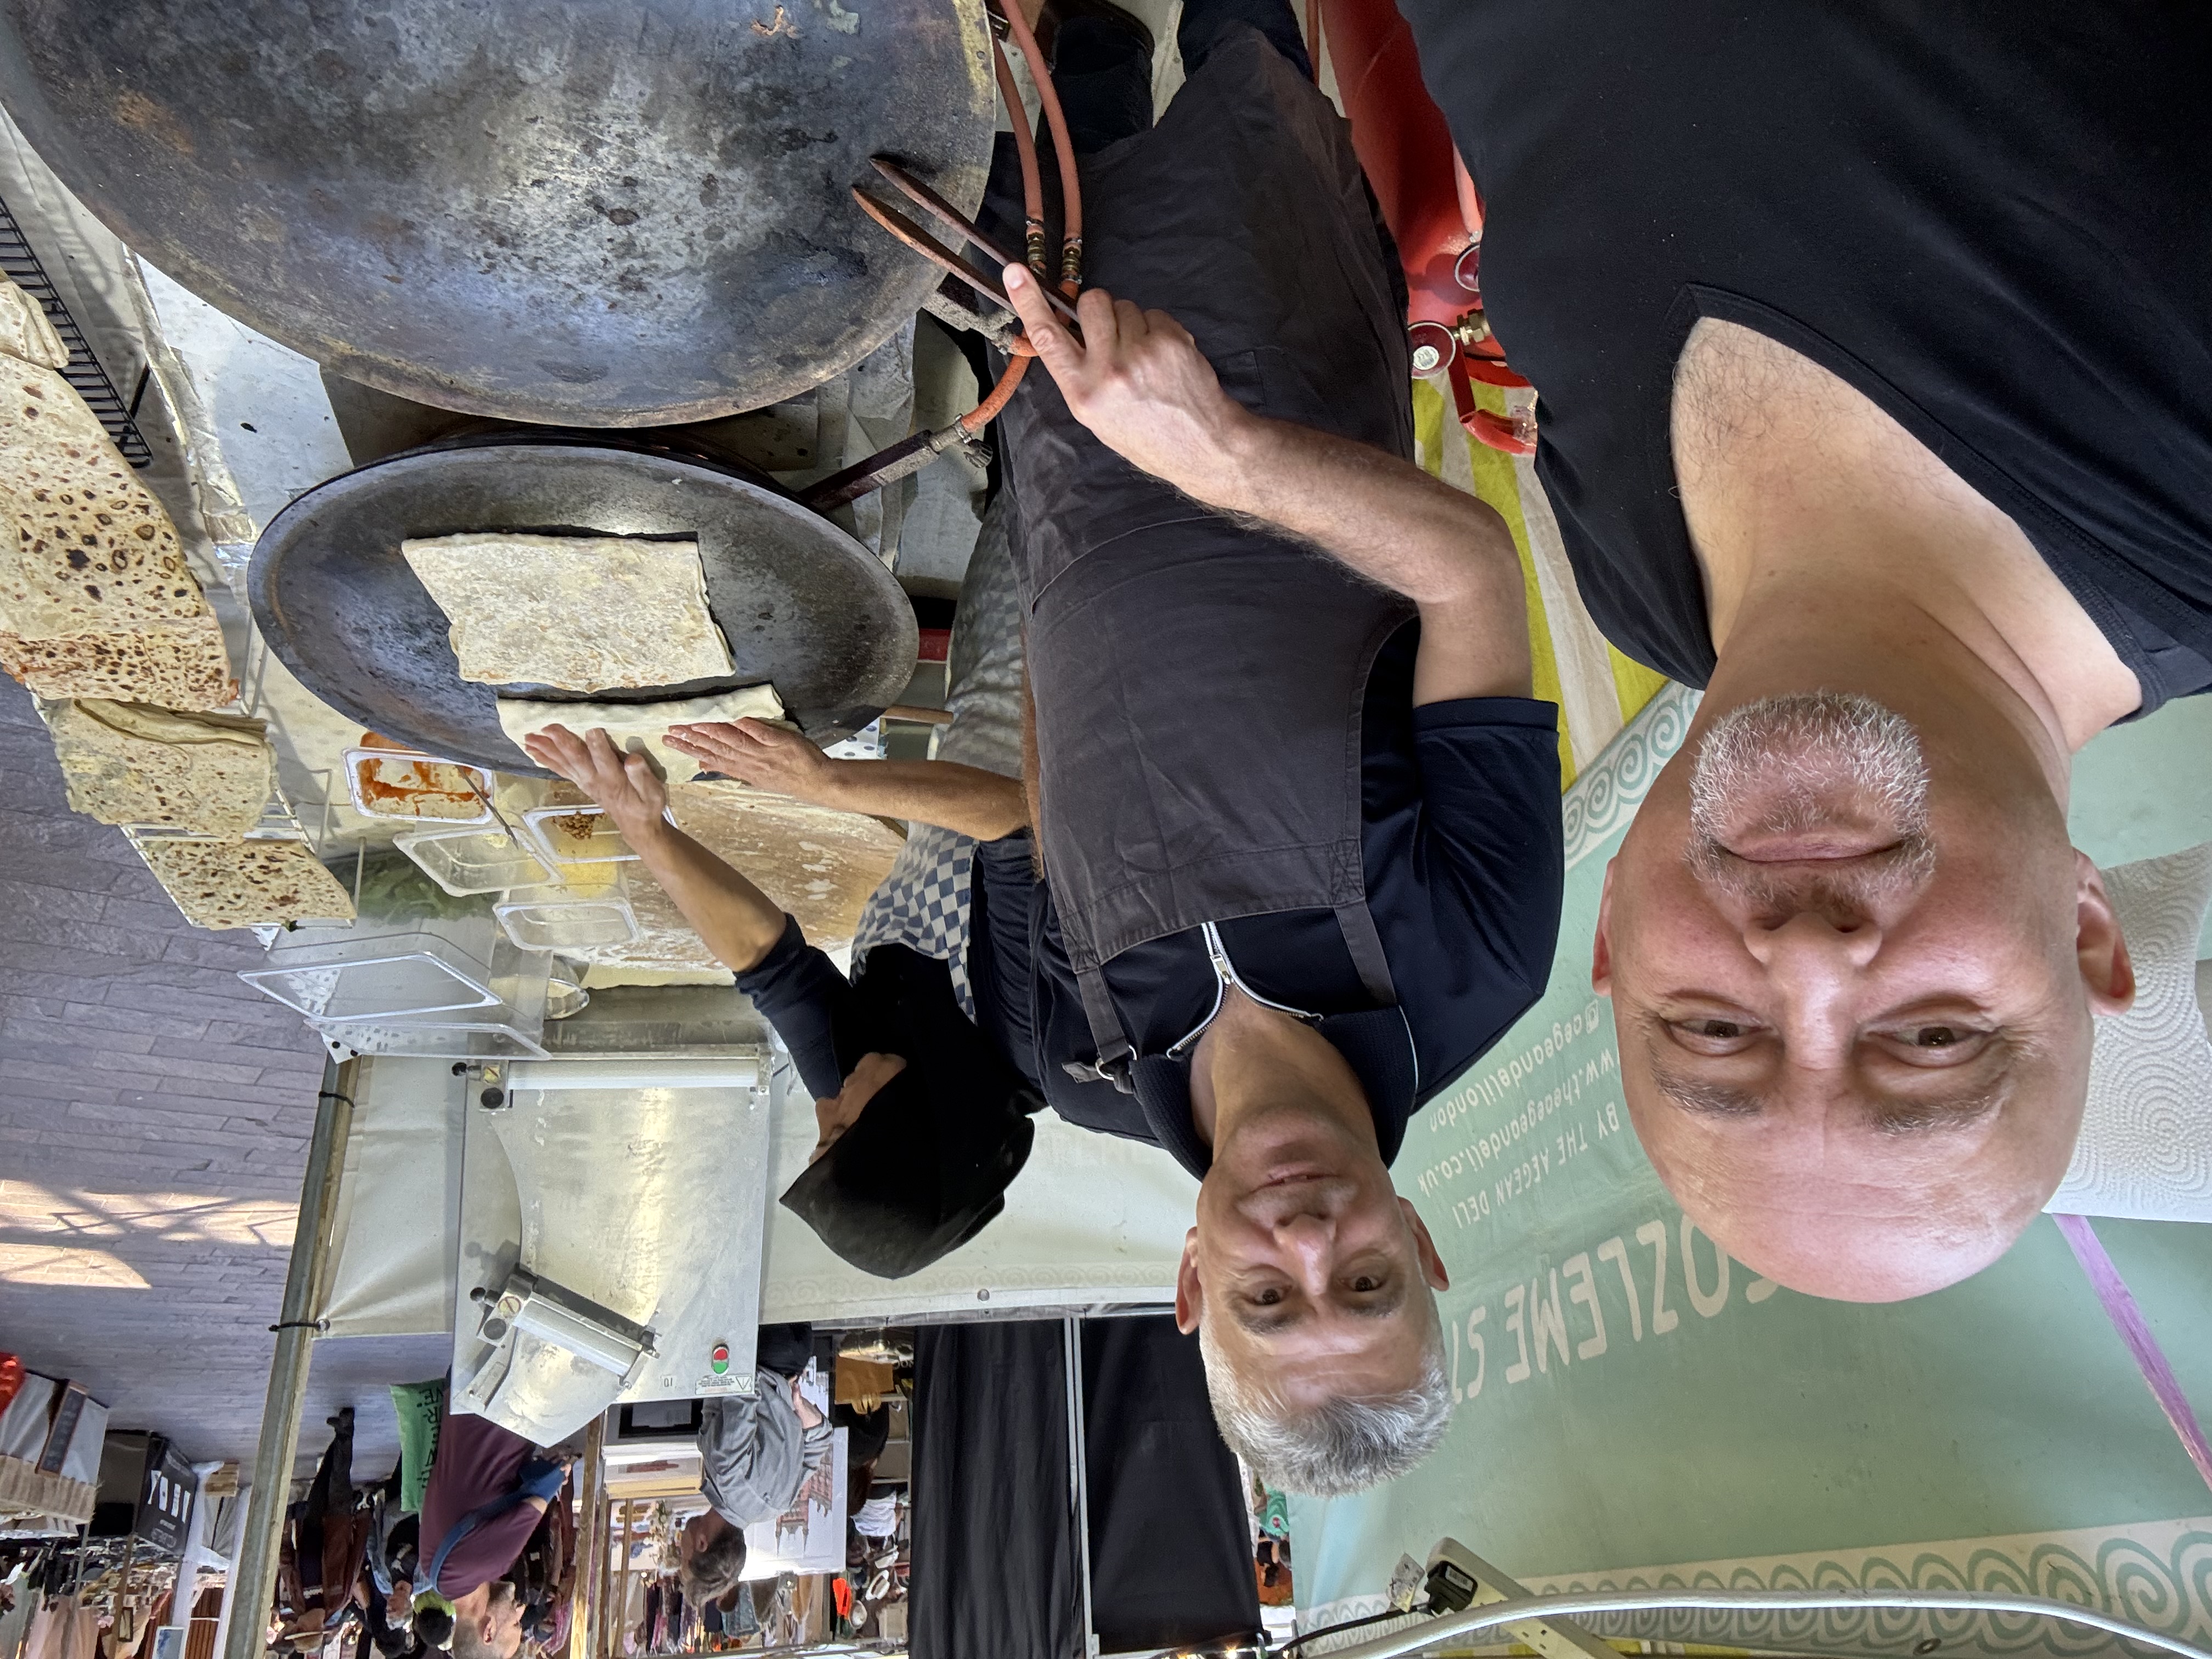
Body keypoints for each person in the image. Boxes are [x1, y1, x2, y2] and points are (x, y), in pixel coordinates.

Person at [1367, 0, 2210, 1300]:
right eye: (1932, 1036)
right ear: (2091, 932)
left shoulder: (1636, 592)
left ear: (1616, 951)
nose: (1808, 963)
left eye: (1713, 1029)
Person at [986, 0, 1562, 1496]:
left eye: (1268, 1299)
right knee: (1248, 53)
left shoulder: (1079, 1062)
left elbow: (1051, 783)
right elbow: (1474, 579)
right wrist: (1222, 448)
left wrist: (1053, 512)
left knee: (1056, 116)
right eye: (1369, 1283)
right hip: (1276, 364)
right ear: (1424, 1243)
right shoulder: (1481, 967)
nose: (1310, 1243)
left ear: (1191, 1289)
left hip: (1064, 466)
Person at [524, 514, 1050, 1279]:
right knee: (1068, 480)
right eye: (838, 1133)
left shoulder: (874, 1071)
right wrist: (825, 785)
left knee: (1017, 495)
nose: (823, 1109)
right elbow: (1016, 820)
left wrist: (648, 830)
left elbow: (771, 967)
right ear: (912, 1134)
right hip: (1076, 679)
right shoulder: (1028, 1032)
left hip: (984, 701)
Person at [672, 1327, 832, 1610]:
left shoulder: (777, 1507)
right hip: (766, 1339)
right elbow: (740, 1376)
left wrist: (795, 1404)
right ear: (701, 1544)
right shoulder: (726, 1473)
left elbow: (821, 1439)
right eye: (683, 1560)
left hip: (797, 1351)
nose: (677, 1550)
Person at [415, 1408, 567, 1659]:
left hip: (508, 1404)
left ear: (488, 1631)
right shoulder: (433, 1571)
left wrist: (560, 1473)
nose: (520, 1611)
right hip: (467, 1402)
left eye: (515, 1623)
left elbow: (552, 1478)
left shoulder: (489, 1564)